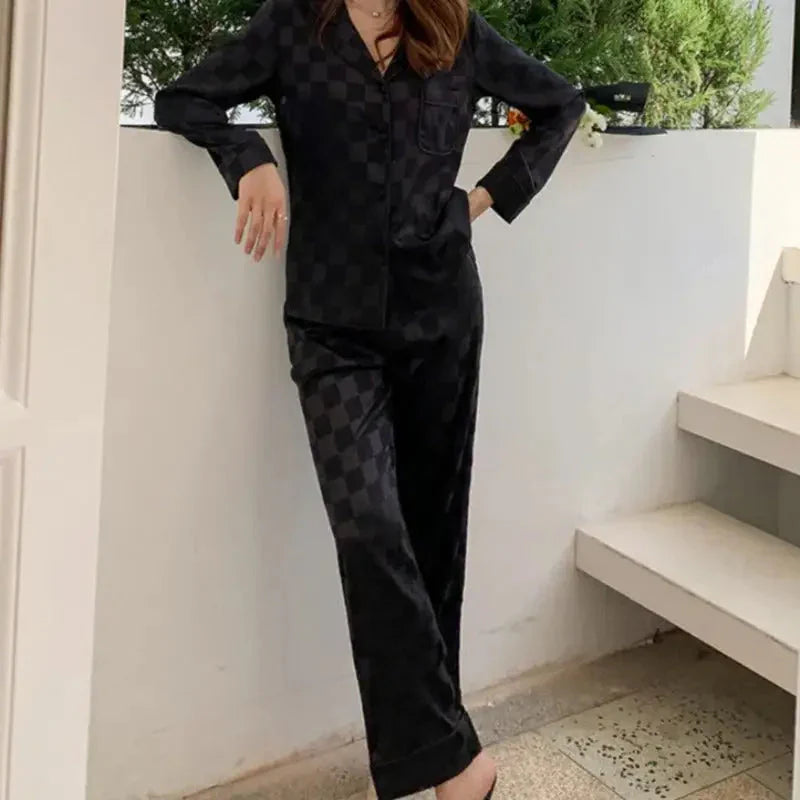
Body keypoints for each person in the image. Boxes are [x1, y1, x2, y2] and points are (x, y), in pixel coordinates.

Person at [154, 0, 583, 795]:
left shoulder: (454, 28)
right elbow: (182, 99)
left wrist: (482, 197)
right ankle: (458, 760)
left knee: (433, 540)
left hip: (441, 316)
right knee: (370, 529)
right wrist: (248, 156)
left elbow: (561, 105)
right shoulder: (291, 25)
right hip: (331, 324)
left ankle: (443, 766)